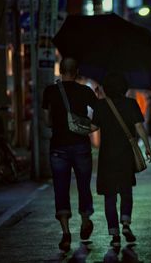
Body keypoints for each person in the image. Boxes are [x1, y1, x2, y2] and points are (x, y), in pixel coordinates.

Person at [91, 72, 151, 248]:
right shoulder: (131, 104)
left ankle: (114, 233)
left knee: (109, 195)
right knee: (126, 191)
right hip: (125, 155)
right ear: (124, 88)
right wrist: (147, 147)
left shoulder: (101, 106)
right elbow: (139, 126)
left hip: (107, 158)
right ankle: (125, 222)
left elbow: (93, 127)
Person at [42, 58, 98, 251]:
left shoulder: (50, 91)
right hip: (81, 145)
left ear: (60, 70)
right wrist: (90, 128)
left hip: (58, 147)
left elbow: (47, 121)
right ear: (77, 72)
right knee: (83, 184)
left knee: (60, 187)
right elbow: (99, 113)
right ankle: (85, 221)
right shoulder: (85, 91)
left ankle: (65, 232)